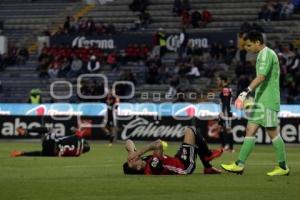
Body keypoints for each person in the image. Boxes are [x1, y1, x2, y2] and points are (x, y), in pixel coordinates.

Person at [221, 31, 289, 176]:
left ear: (258, 42)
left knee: (272, 133)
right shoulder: (262, 55)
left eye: (249, 45)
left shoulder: (266, 54)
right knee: (250, 130)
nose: (247, 48)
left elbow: (261, 77)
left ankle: (283, 166)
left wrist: (244, 93)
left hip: (269, 100)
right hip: (260, 101)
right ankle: (239, 165)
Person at [123, 127, 223, 175]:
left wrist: (132, 151)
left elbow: (128, 141)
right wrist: (139, 152)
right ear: (138, 167)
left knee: (194, 142)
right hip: (184, 166)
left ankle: (208, 167)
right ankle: (208, 155)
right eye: (131, 162)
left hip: (177, 159)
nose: (131, 159)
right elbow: (158, 143)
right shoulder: (153, 167)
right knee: (191, 131)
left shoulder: (141, 162)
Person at [11, 124, 91, 157]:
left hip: (52, 143)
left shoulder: (80, 138)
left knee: (50, 129)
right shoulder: (77, 154)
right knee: (41, 153)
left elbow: (72, 128)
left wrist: (78, 131)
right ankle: (21, 153)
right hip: (52, 152)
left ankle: (26, 131)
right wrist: (24, 154)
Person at [217, 75, 234, 152]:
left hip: (226, 111)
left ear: (223, 80)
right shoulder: (224, 89)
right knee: (221, 128)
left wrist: (224, 113)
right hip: (223, 111)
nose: (217, 81)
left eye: (218, 80)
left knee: (228, 129)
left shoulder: (226, 88)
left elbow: (226, 102)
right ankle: (223, 145)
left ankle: (230, 148)